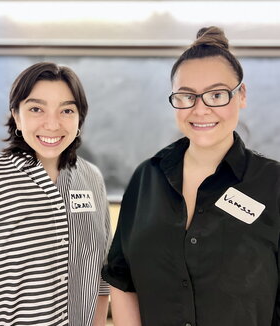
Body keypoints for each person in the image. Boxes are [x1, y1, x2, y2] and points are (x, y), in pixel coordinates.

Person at [102, 26, 280, 326]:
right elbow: (122, 279)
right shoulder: (147, 178)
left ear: (242, 95)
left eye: (217, 94)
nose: (201, 109)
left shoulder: (273, 184)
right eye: (187, 96)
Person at [0, 62, 111, 326]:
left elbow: (101, 276)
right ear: (16, 116)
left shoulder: (92, 179)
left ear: (79, 119)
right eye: (36, 109)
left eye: (66, 110)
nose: (52, 124)